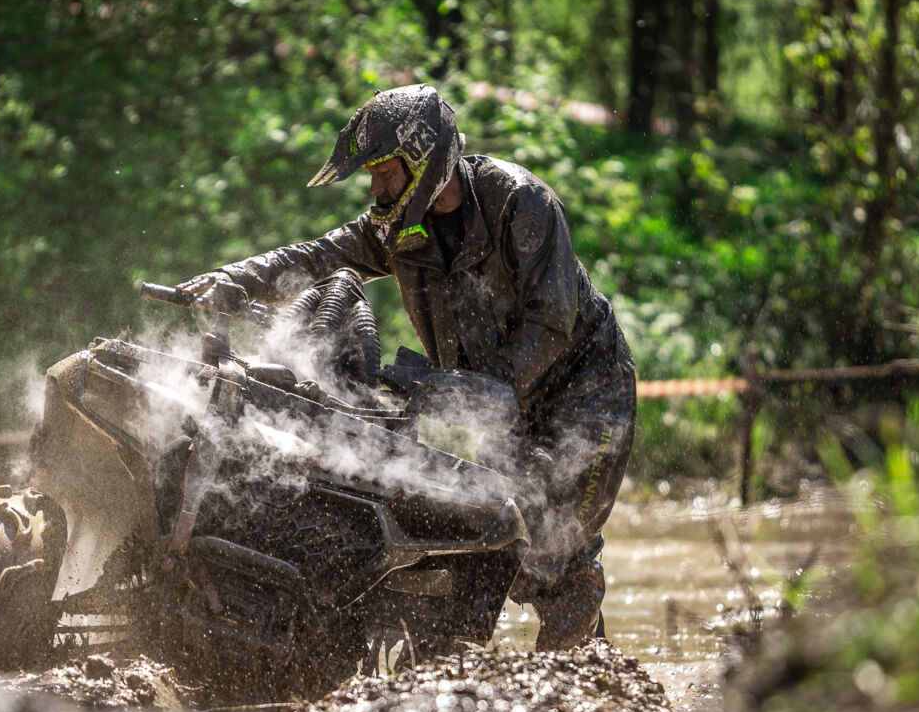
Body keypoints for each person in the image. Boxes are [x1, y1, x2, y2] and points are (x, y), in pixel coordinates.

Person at [178, 84, 635, 650]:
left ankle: (579, 685)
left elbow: (552, 321)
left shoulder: (519, 202)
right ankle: (584, 666)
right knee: (500, 533)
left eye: (384, 173)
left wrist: (467, 389)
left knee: (558, 545)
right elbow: (317, 256)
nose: (375, 188)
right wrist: (233, 279)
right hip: (499, 402)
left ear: (425, 160)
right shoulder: (396, 225)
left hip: (586, 390)